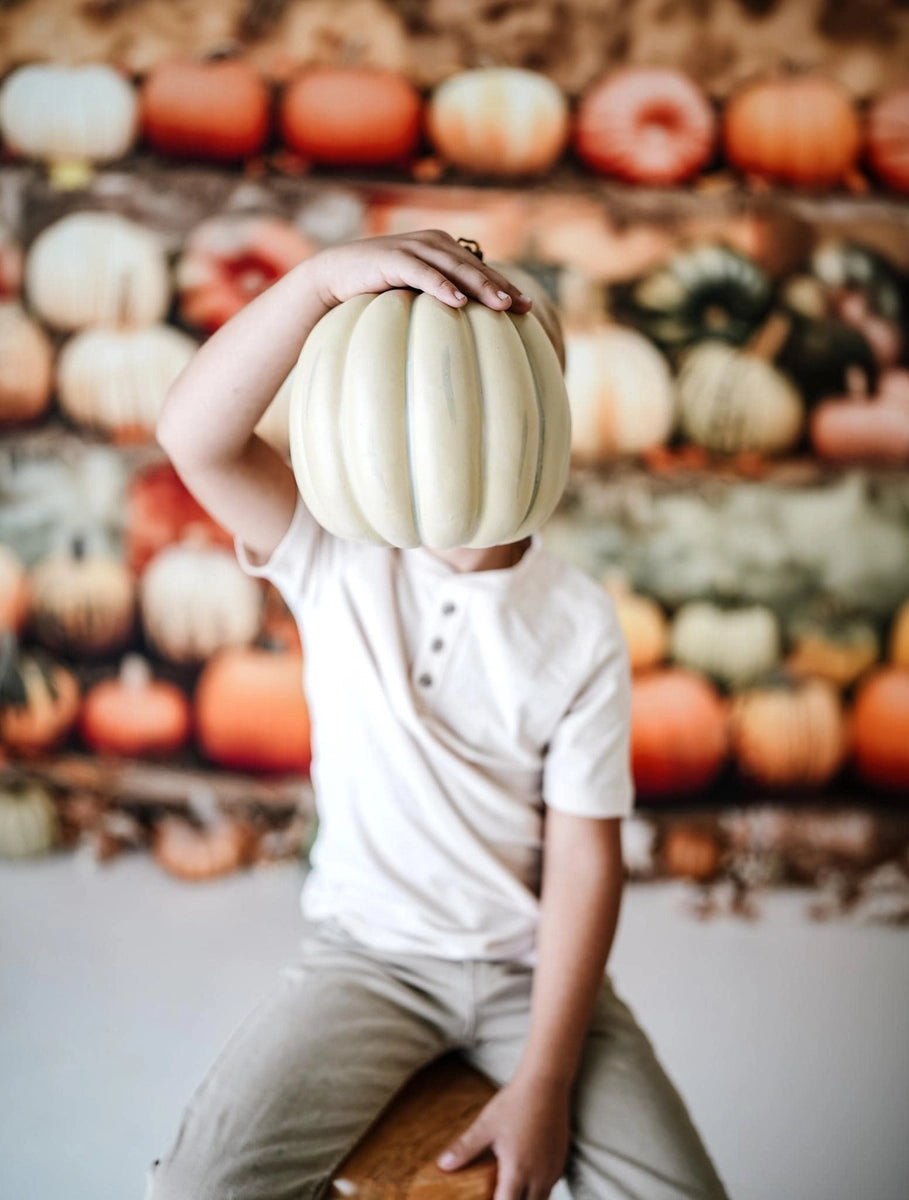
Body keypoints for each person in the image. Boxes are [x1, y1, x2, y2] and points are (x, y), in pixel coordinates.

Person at [149, 230, 728, 1200]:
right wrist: (318, 281)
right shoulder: (332, 554)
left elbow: (583, 858)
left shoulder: (578, 623)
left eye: (488, 393)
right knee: (198, 1190)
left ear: (541, 412)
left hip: (526, 973)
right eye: (430, 397)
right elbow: (192, 436)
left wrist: (545, 1080)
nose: (454, 426)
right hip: (369, 961)